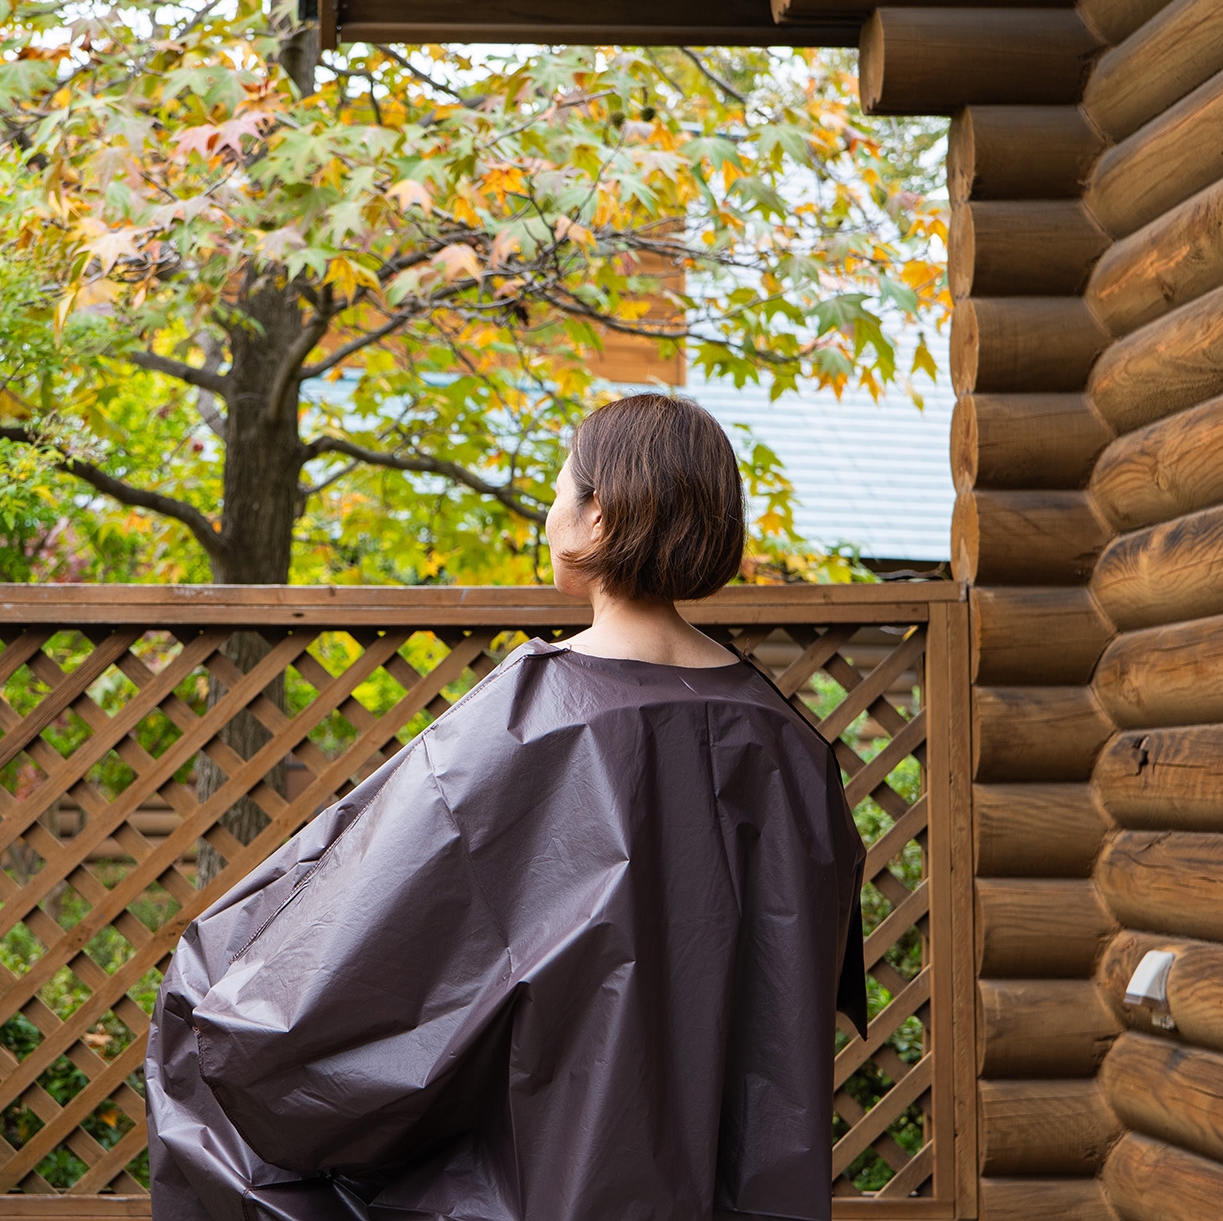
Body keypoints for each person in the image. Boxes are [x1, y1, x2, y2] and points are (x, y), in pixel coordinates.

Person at [145, 393, 867, 1221]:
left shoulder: (531, 720)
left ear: (598, 518)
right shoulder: (790, 743)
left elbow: (367, 936)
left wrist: (212, 981)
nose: (551, 509)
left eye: (563, 488)